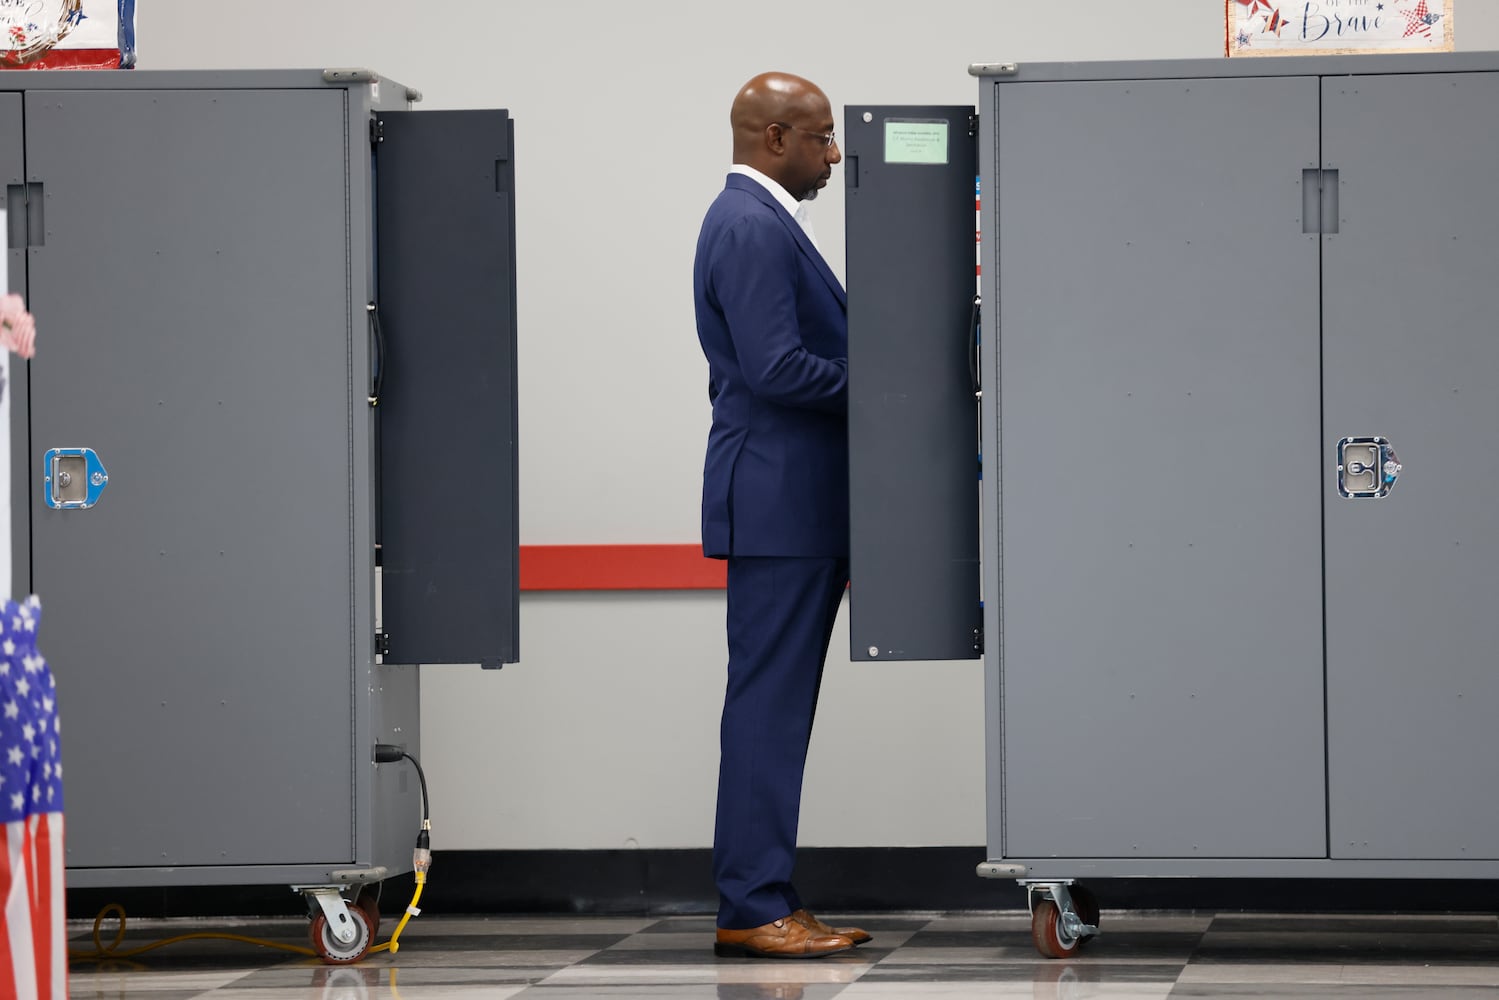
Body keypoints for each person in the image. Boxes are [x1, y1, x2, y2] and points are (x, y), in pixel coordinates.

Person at [693, 72, 871, 960]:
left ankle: (762, 898)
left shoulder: (756, 223)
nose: (833, 154)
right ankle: (755, 905)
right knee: (766, 712)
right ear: (774, 139)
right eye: (822, 137)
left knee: (770, 710)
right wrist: (889, 389)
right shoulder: (752, 226)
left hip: (789, 506)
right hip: (779, 510)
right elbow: (777, 369)